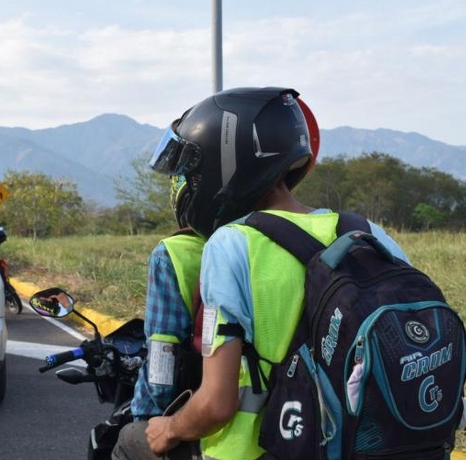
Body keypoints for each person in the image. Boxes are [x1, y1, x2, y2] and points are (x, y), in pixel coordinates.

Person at [138, 87, 412, 460]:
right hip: (369, 446)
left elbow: (216, 404)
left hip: (258, 451)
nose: (189, 182)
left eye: (193, 170)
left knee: (128, 443)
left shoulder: (231, 244)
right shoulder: (366, 231)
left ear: (224, 161)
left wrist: (167, 428)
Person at [112, 176, 204, 460]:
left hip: (199, 418)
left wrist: (146, 416)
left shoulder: (172, 254)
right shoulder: (253, 241)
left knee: (126, 440)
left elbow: (163, 354)